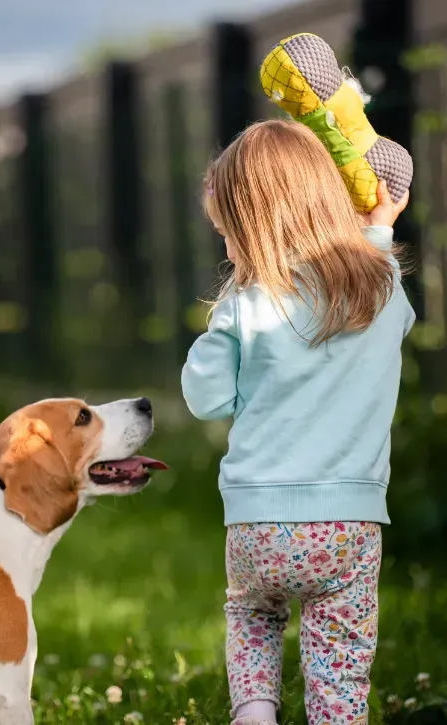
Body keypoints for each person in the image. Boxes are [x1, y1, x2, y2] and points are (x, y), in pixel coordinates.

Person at [181, 119, 414, 725]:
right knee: (339, 659)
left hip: (258, 522)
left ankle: (255, 714)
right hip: (350, 526)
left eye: (229, 235)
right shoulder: (381, 289)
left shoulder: (245, 302)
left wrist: (219, 325)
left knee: (254, 619)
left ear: (254, 229)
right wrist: (380, 229)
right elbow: (385, 294)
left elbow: (205, 399)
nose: (228, 250)